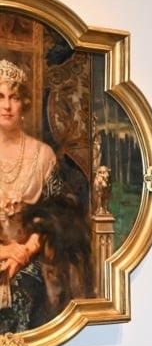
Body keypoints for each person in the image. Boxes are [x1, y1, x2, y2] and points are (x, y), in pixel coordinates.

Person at [0, 59, 93, 332]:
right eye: (0, 97)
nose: (6, 106)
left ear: (24, 104)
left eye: (14, 98)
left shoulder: (42, 155)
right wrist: (6, 251)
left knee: (24, 292)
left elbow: (59, 212)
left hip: (30, 257)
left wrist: (26, 250)